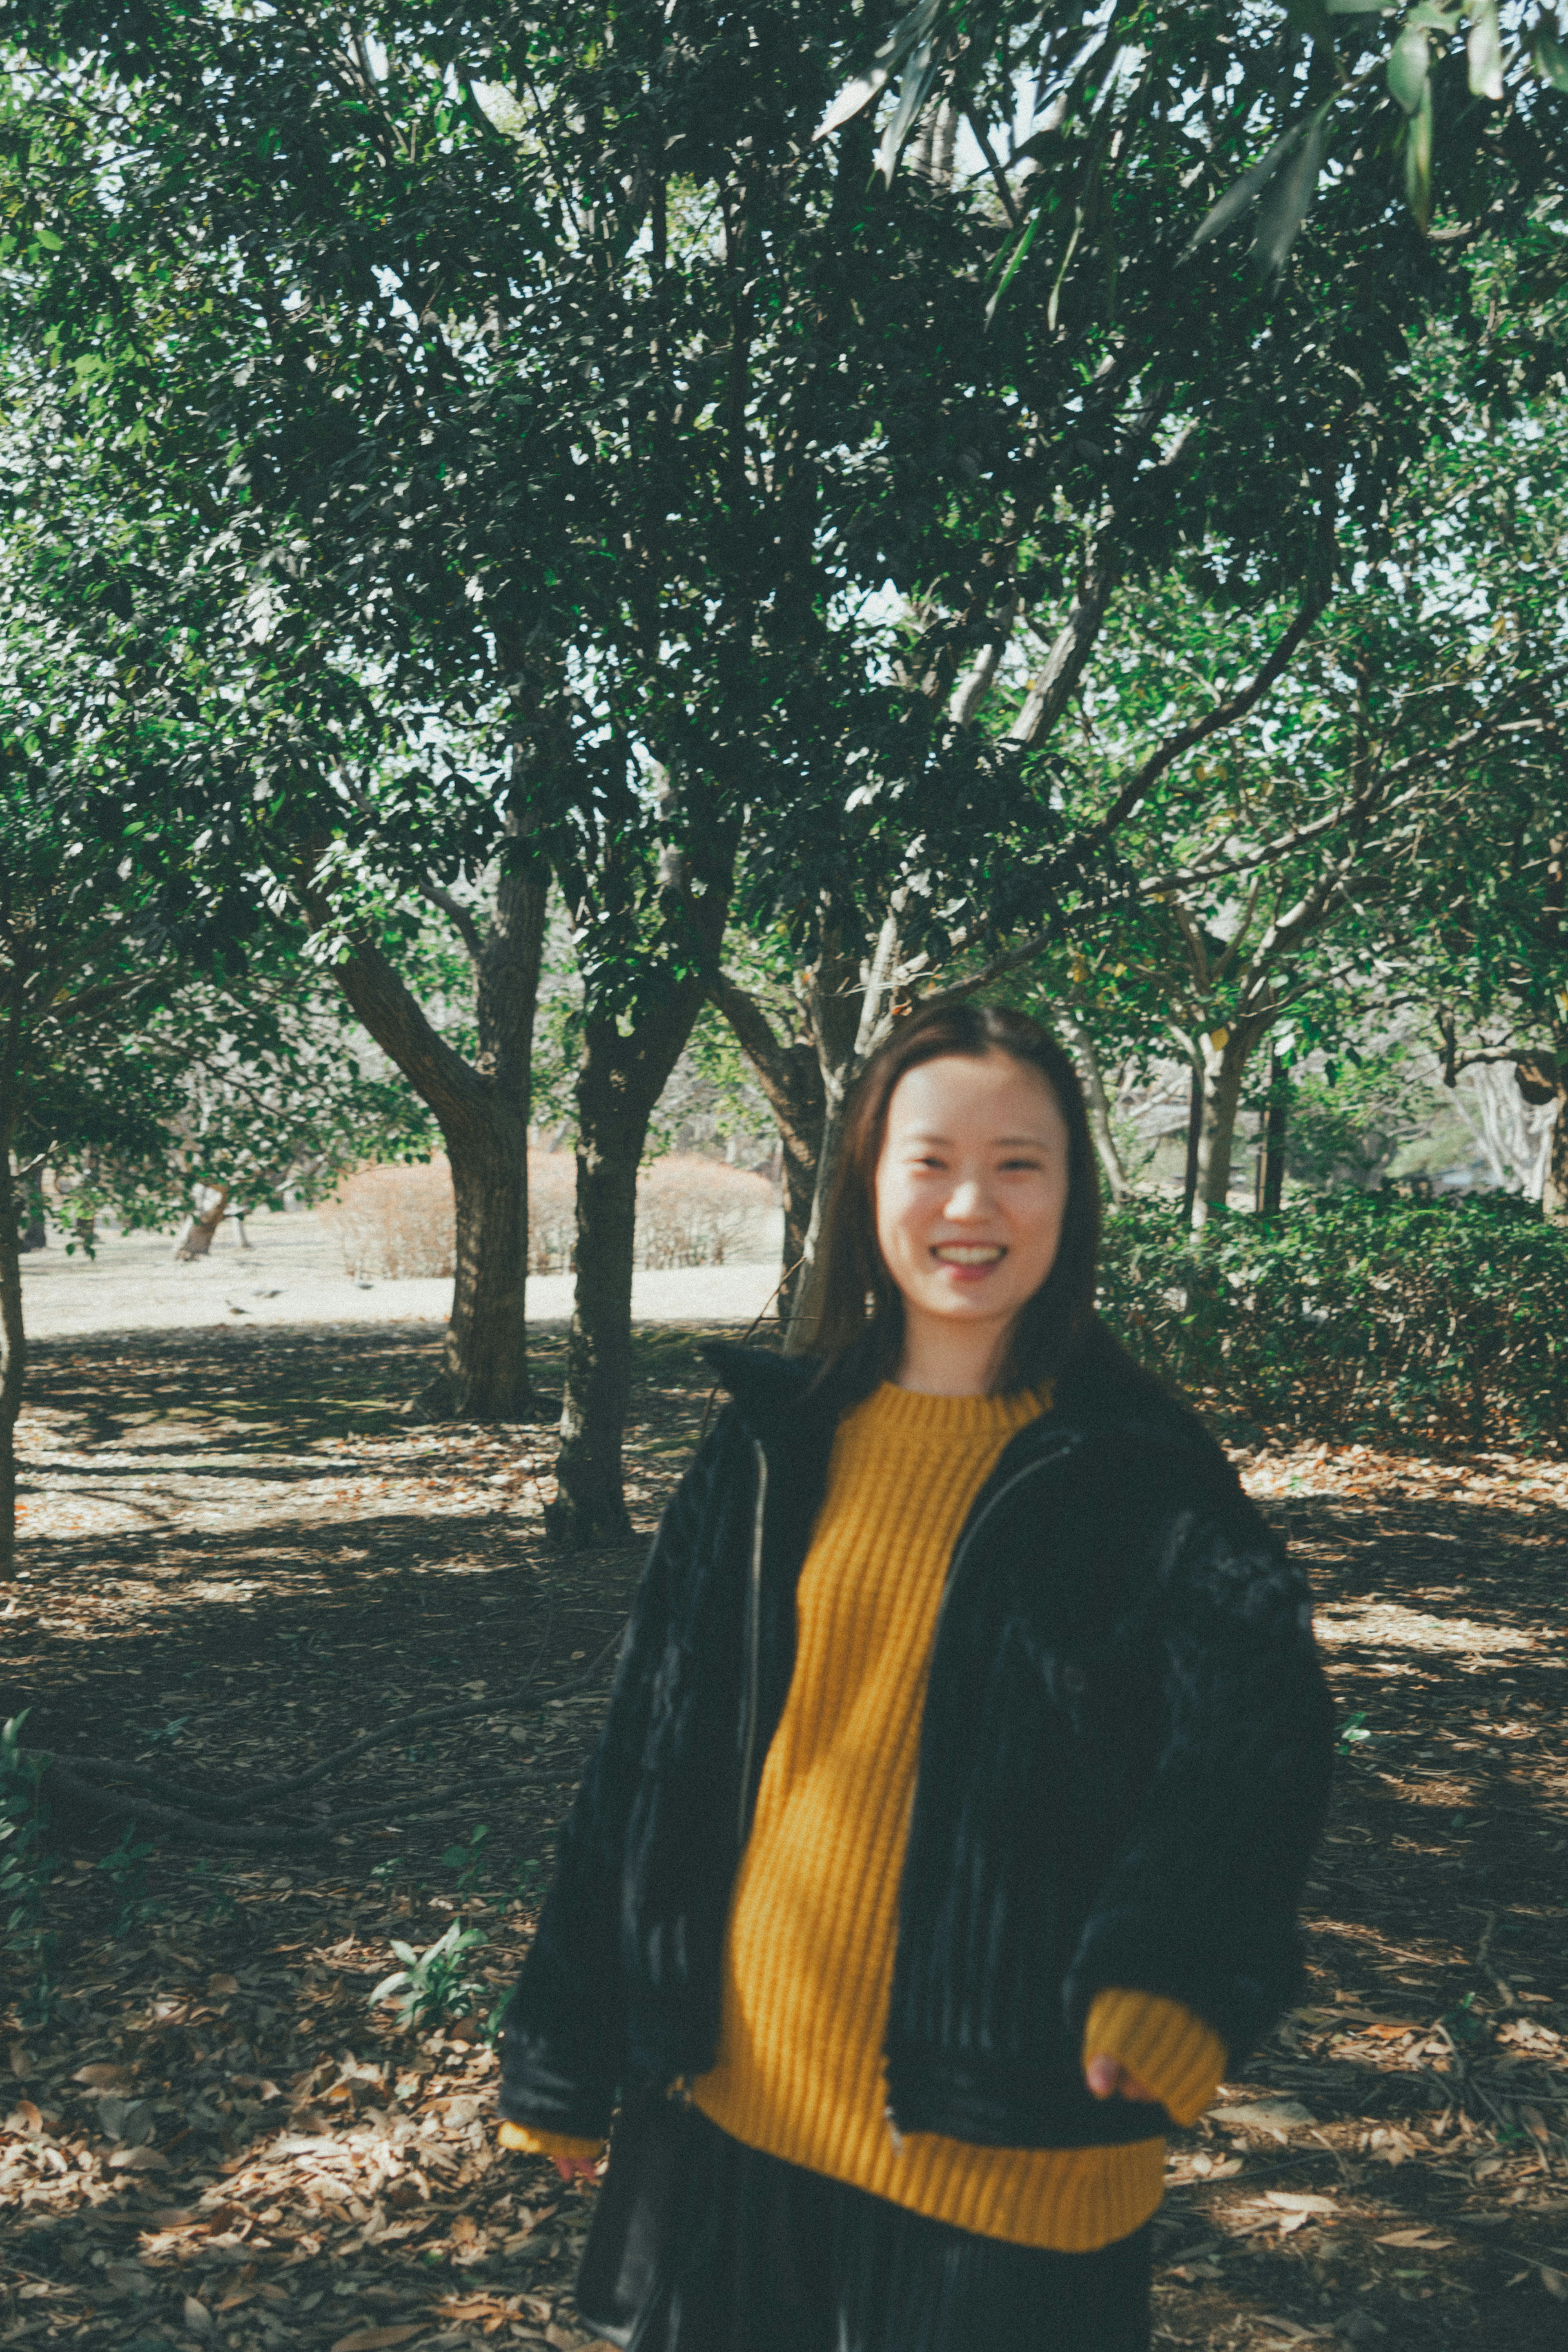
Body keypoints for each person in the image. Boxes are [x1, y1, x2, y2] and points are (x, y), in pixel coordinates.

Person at [495, 1003, 1334, 2352]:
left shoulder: (1142, 1469)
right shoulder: (771, 1443)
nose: (970, 1203)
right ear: (867, 1185)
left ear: (1072, 1196)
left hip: (1011, 2139)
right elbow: (651, 1750)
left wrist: (1176, 1971)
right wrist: (570, 2035)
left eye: (1020, 1163)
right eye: (928, 1159)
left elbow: (1258, 1741)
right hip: (746, 2103)